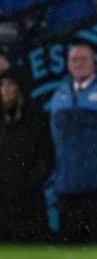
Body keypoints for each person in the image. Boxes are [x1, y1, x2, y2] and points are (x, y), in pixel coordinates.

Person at [49, 43, 97, 244]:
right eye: (74, 59)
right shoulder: (59, 96)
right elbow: (56, 140)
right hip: (67, 185)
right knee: (69, 245)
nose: (79, 63)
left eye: (84, 59)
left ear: (94, 63)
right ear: (67, 64)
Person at [0, 67, 55, 243]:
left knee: (33, 255)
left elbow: (47, 158)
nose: (5, 90)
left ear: (20, 88)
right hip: (3, 203)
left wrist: (28, 183)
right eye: (2, 85)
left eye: (10, 85)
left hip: (30, 203)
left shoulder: (37, 119)